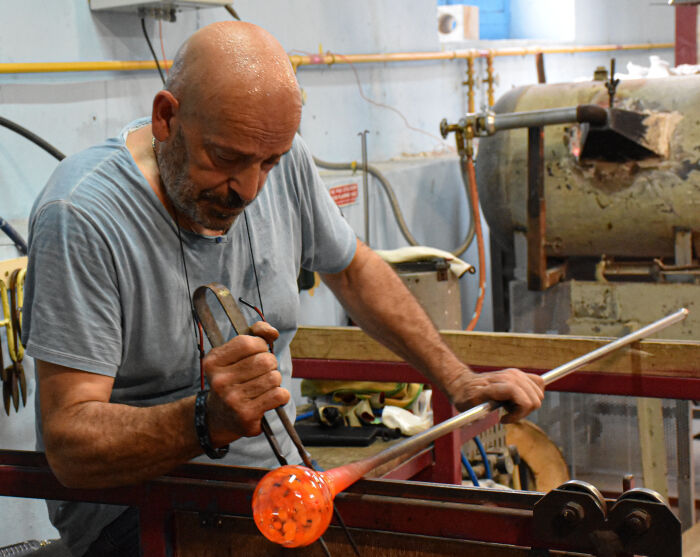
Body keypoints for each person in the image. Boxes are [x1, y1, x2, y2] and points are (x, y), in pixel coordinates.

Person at [21, 21, 545, 557]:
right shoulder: (83, 216)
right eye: (225, 159)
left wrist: (456, 377)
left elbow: (353, 268)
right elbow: (70, 444)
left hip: (279, 482)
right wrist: (205, 420)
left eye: (266, 163)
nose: (248, 190)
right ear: (166, 117)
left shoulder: (279, 158)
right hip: (140, 512)